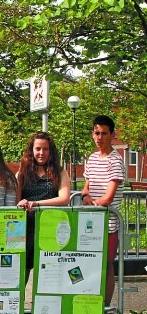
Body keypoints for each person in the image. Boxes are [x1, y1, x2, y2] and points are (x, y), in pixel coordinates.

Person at [80, 115, 125, 307]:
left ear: (112, 135)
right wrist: (84, 197)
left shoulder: (115, 161)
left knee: (106, 265)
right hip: (91, 222)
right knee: (90, 263)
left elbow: (108, 198)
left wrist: (92, 203)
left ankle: (105, 305)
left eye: (104, 133)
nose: (100, 137)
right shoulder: (91, 158)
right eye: (96, 133)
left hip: (108, 224)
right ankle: (89, 301)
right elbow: (85, 188)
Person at [16, 131, 70, 282]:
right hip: (26, 230)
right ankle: (20, 304)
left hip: (50, 229)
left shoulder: (60, 173)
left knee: (49, 277)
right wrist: (21, 203)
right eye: (38, 149)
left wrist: (37, 204)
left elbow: (64, 198)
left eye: (45, 149)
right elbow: (16, 200)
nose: (41, 153)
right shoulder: (22, 173)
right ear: (32, 150)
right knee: (22, 275)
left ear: (50, 151)